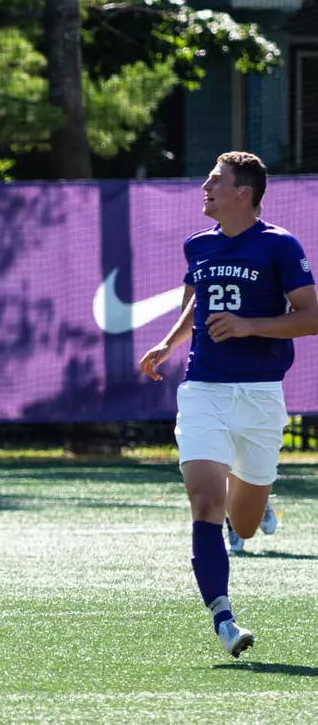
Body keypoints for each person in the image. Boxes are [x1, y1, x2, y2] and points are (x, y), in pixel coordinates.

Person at [139, 151, 318, 658]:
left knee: (241, 523)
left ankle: (256, 502)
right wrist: (170, 343)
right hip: (203, 391)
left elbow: (312, 317)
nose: (205, 187)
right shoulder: (197, 245)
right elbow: (197, 302)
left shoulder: (279, 245)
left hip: (260, 396)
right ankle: (223, 617)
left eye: (215, 181)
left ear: (244, 192)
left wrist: (249, 326)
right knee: (205, 504)